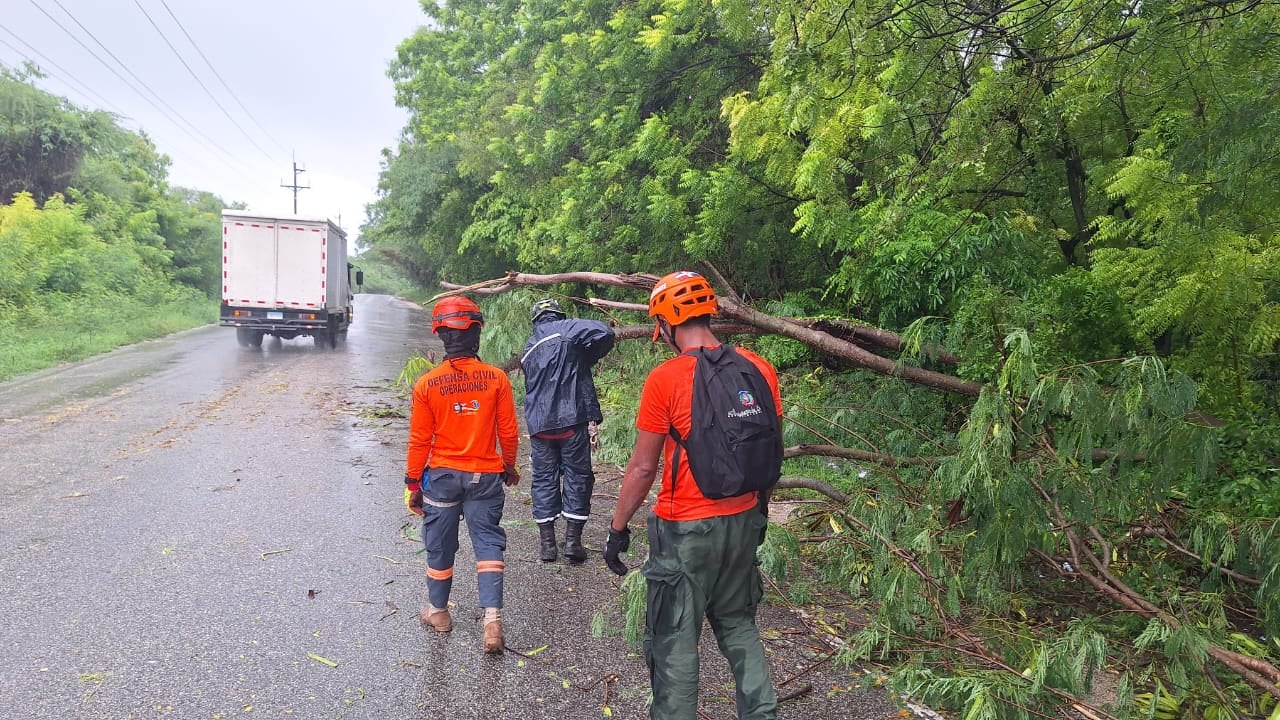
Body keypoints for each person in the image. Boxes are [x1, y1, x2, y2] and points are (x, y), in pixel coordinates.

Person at [603, 270, 782, 720]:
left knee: (675, 641)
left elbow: (643, 467)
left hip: (685, 528)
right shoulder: (759, 368)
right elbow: (770, 446)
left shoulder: (666, 378)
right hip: (745, 519)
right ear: (709, 313)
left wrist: (617, 527)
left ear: (664, 324)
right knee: (739, 625)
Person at [404, 296, 521, 655]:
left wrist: (412, 483)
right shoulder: (497, 378)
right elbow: (509, 432)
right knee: (488, 543)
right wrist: (509, 466)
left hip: (442, 478)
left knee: (440, 544)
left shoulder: (428, 384)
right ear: (477, 334)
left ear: (441, 336)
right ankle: (492, 620)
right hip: (485, 476)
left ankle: (439, 613)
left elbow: (420, 439)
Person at [520, 298, 616, 564]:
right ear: (558, 315)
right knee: (577, 476)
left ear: (536, 320)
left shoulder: (529, 348)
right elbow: (605, 333)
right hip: (572, 421)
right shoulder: (568, 329)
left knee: (543, 480)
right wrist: (589, 354)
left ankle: (548, 546)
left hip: (540, 426)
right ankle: (573, 542)